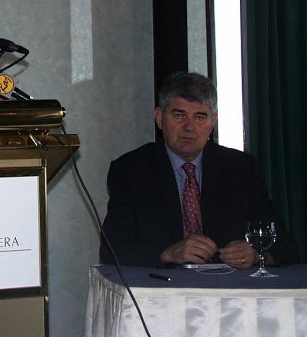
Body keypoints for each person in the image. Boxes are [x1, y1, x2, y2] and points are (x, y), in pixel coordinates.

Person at [100, 71, 299, 268]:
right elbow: (112, 251)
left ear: (213, 122)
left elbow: (286, 247)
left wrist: (256, 254)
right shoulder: (130, 170)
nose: (189, 127)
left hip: (227, 284)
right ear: (160, 117)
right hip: (162, 285)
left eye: (200, 117)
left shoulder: (240, 168)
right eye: (179, 115)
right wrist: (166, 254)